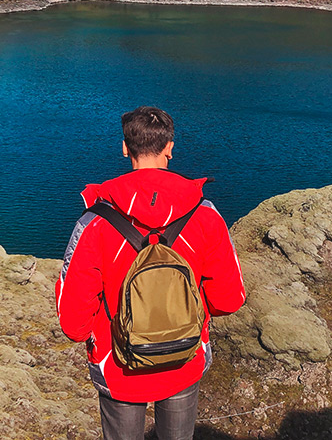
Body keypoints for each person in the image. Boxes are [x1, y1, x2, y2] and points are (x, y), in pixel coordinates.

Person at [55, 106, 246, 440]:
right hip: (184, 358)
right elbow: (229, 299)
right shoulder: (206, 215)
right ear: (170, 147)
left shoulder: (95, 223)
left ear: (125, 148)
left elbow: (74, 323)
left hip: (118, 366)